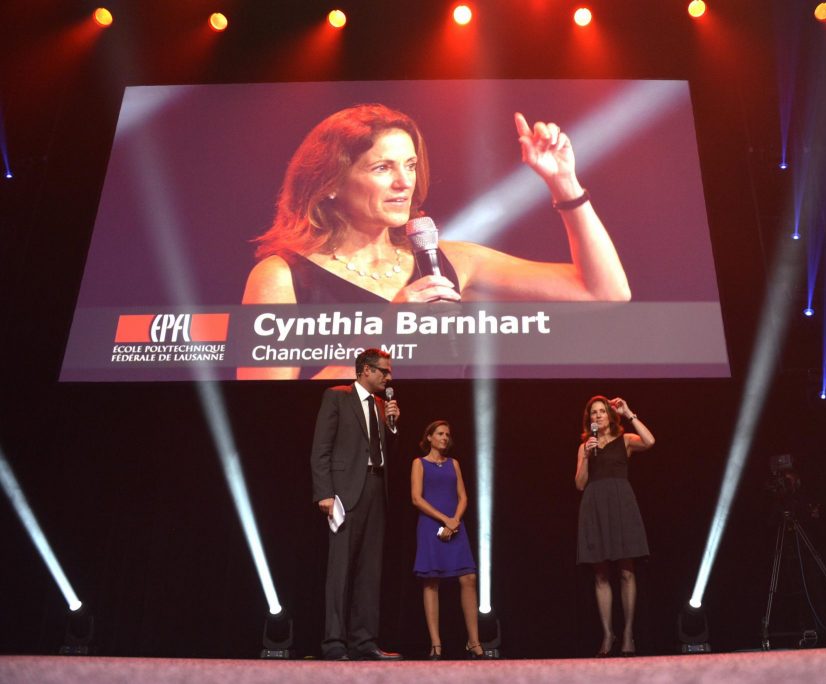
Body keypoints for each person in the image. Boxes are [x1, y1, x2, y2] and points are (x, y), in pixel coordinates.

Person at [239, 103, 630, 379]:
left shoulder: (450, 262)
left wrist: (564, 183)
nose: (404, 182)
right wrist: (383, 336)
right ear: (330, 185)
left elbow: (604, 292)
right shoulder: (282, 277)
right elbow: (267, 415)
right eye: (382, 168)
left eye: (409, 166)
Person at [310, 348, 402, 661]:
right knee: (340, 570)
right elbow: (321, 448)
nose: (388, 377)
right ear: (364, 370)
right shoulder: (337, 397)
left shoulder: (381, 405)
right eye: (383, 371)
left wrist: (393, 424)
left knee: (369, 570)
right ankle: (334, 642)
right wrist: (324, 491)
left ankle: (364, 642)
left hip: (376, 488)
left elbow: (385, 451)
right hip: (345, 492)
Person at [574, 395, 655, 657]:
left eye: (601, 411)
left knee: (627, 572)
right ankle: (608, 634)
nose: (597, 416)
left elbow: (650, 441)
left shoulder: (625, 441)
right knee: (600, 574)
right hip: (595, 504)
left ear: (610, 416)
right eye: (593, 413)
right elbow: (579, 484)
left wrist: (629, 412)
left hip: (621, 504)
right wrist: (586, 456)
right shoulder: (586, 446)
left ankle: (628, 633)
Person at [409, 420, 492, 660]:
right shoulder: (419, 463)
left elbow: (463, 496)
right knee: (430, 580)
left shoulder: (454, 464)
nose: (445, 437)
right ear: (429, 437)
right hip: (430, 525)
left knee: (468, 577)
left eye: (448, 434)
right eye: (440, 433)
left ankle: (474, 642)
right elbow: (416, 498)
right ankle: (436, 644)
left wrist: (454, 520)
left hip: (455, 526)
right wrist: (444, 519)